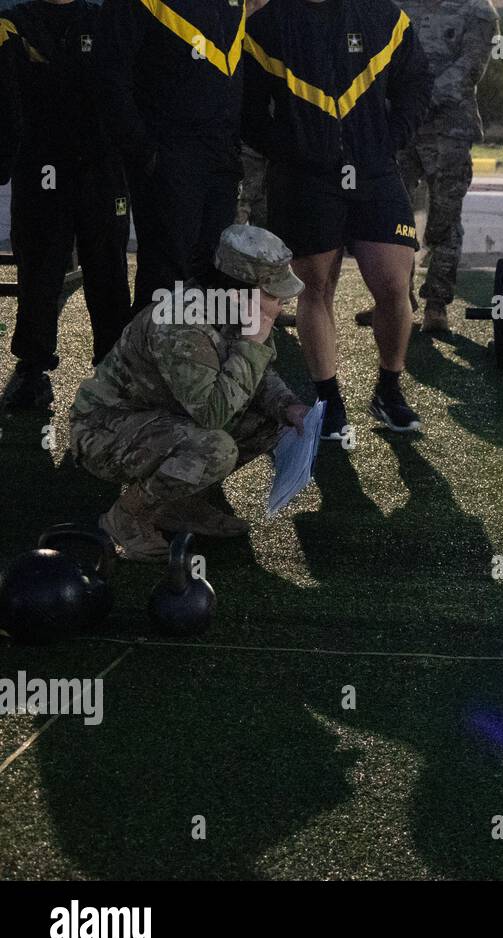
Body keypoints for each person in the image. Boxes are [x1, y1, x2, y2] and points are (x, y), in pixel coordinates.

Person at [242, 0, 433, 439]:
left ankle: (389, 387)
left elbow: (417, 82)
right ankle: (329, 398)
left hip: (375, 171)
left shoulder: (384, 16)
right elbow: (249, 111)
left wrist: (391, 138)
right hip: (304, 180)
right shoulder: (268, 25)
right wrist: (290, 149)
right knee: (316, 287)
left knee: (392, 284)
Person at [69, 225, 309, 562]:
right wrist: (253, 343)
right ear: (243, 289)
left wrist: (289, 407)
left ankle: (178, 505)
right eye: (272, 291)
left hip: (163, 416)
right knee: (214, 449)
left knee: (269, 420)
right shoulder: (181, 324)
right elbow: (213, 413)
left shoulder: (232, 306)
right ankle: (125, 517)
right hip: (106, 428)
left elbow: (259, 378)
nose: (282, 300)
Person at [0, 0, 131, 410]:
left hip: (102, 165)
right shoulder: (13, 24)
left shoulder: (106, 20)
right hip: (40, 165)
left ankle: (113, 370)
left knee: (107, 269)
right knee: (40, 267)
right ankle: (32, 368)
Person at [355, 0, 499, 335]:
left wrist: (414, 98)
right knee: (392, 218)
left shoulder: (478, 11)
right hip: (401, 131)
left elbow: (469, 69)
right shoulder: (396, 7)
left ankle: (437, 304)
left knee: (444, 220)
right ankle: (394, 298)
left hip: (449, 131)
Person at [95, 0, 245, 316]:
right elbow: (110, 78)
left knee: (214, 267)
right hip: (169, 156)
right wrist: (146, 152)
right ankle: (151, 362)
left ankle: (202, 362)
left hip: (221, 157)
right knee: (166, 272)